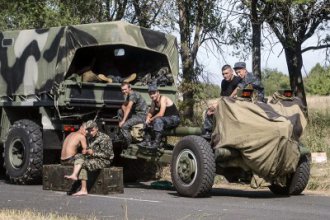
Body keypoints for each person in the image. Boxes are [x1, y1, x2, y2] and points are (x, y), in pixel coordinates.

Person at [65, 120, 114, 196]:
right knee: (78, 156)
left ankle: (83, 189)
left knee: (83, 164)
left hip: (104, 160)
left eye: (92, 130)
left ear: (97, 128)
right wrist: (86, 151)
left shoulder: (104, 138)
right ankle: (74, 175)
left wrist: (93, 153)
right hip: (93, 158)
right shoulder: (90, 137)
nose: (90, 132)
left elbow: (108, 155)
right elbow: (89, 149)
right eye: (88, 130)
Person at [202, 65, 241, 139]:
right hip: (224, 103)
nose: (224, 76)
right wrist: (214, 106)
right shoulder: (223, 82)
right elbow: (222, 97)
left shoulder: (238, 80)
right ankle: (209, 132)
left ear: (232, 72)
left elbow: (239, 95)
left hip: (235, 104)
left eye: (226, 73)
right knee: (209, 110)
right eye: (223, 74)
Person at [139, 84, 180, 151]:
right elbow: (151, 112)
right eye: (150, 94)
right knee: (146, 120)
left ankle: (156, 143)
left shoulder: (163, 99)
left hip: (174, 118)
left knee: (157, 120)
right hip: (164, 120)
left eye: (154, 93)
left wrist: (151, 120)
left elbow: (161, 114)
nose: (152, 95)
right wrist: (148, 118)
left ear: (158, 92)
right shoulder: (154, 101)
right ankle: (147, 141)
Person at [119, 82, 148, 146]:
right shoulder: (128, 95)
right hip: (136, 114)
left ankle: (128, 144)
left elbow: (129, 107)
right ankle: (124, 134)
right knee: (120, 111)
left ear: (130, 88)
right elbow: (124, 105)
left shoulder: (133, 94)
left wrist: (123, 121)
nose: (124, 91)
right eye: (122, 90)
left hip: (142, 115)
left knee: (124, 126)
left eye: (125, 89)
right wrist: (125, 114)